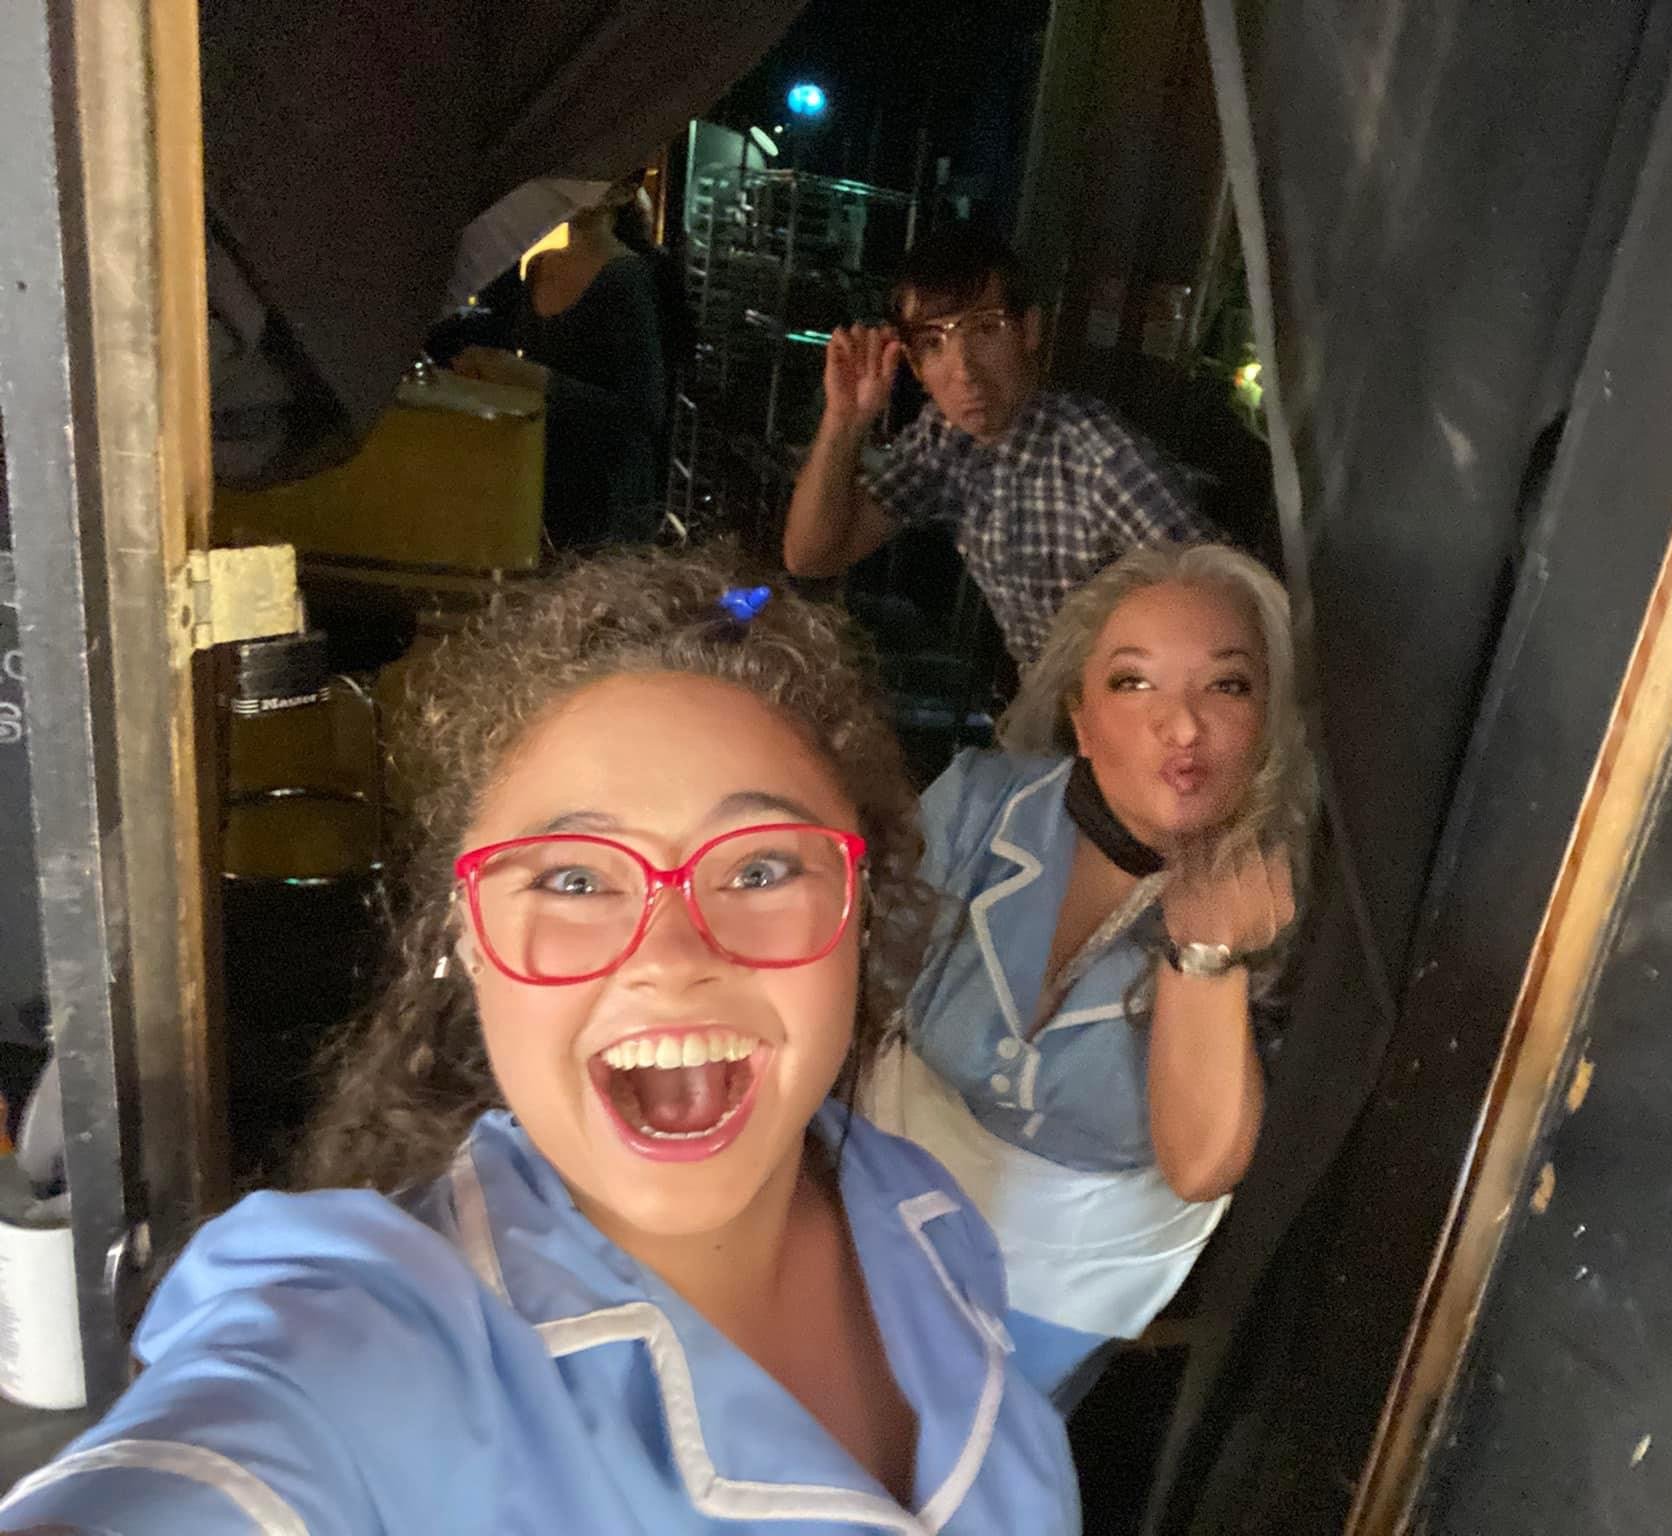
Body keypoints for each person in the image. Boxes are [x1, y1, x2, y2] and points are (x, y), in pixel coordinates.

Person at [0, 551, 1081, 1534]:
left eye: (758, 870)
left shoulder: (922, 1218)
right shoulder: (370, 1344)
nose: (669, 954)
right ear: (462, 942)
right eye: (572, 880)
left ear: (860, 910)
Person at [864, 543, 1315, 1412]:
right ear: (1081, 717)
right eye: (1134, 683)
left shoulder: (1284, 903)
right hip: (887, 1175)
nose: (1181, 727)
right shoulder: (986, 804)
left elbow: (1198, 1165)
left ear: (1269, 720)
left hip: (1067, 1273)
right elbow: (856, 989)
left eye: (1227, 686)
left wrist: (1206, 959)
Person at [782, 225, 1214, 665]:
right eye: (934, 343)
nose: (963, 368)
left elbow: (1228, 607)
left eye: (987, 329)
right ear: (913, 365)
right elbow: (811, 557)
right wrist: (845, 420)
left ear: (1029, 330)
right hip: (1043, 703)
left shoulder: (1100, 458)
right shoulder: (945, 440)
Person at [453, 178, 669, 551]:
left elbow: (643, 411)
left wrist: (531, 378)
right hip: (540, 480)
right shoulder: (538, 265)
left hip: (605, 498)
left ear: (622, 193)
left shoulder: (626, 279)